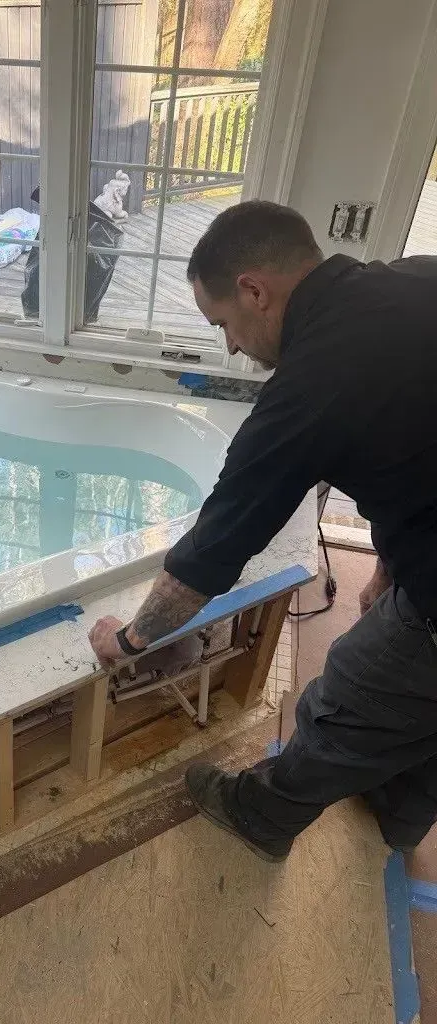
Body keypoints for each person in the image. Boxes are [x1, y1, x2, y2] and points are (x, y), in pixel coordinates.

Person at [88, 200, 437, 863]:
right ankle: (397, 813)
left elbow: (211, 555)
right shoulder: (417, 279)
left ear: (255, 290)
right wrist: (390, 569)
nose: (231, 346)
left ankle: (262, 816)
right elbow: (418, 454)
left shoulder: (309, 389)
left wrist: (129, 639)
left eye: (223, 323)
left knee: (349, 694)